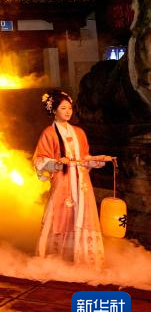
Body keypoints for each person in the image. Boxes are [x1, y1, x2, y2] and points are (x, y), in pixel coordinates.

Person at [33, 90, 110, 268]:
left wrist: (97, 160)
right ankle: (57, 257)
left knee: (83, 215)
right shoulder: (49, 133)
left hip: (81, 183)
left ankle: (83, 258)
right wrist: (57, 163)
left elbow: (84, 158)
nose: (68, 111)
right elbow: (39, 160)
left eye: (70, 108)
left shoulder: (79, 132)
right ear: (54, 110)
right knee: (60, 216)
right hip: (62, 181)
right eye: (63, 108)